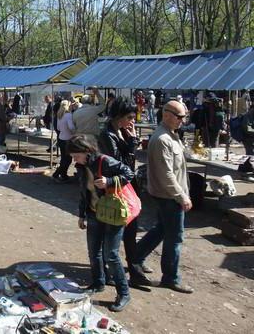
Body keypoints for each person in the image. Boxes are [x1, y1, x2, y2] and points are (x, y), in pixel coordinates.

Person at [131, 101, 194, 293]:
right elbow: (166, 174)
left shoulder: (170, 135)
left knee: (161, 230)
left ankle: (135, 258)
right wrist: (181, 196)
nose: (182, 121)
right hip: (168, 196)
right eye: (179, 117)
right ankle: (170, 277)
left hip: (168, 194)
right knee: (175, 237)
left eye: (184, 117)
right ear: (166, 114)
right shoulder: (162, 139)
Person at [71, 134, 134, 312]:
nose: (74, 159)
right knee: (94, 251)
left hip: (113, 213)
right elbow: (84, 192)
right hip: (93, 213)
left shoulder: (105, 161)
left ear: (86, 151)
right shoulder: (82, 167)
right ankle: (98, 283)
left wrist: (110, 181)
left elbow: (129, 173)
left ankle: (124, 293)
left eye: (76, 155)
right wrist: (81, 215)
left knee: (111, 254)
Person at [98, 97, 153, 286]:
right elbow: (119, 165)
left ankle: (135, 269)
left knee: (131, 231)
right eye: (130, 116)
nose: (133, 121)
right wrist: (132, 144)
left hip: (127, 188)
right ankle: (110, 271)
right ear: (119, 116)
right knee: (114, 232)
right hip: (114, 189)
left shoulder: (120, 132)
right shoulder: (107, 134)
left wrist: (130, 141)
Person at [53, 100, 74, 182]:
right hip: (67, 139)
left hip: (61, 138)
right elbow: (71, 127)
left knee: (64, 159)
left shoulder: (59, 115)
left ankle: (63, 175)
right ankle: (57, 174)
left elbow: (58, 128)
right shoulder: (68, 115)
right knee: (68, 160)